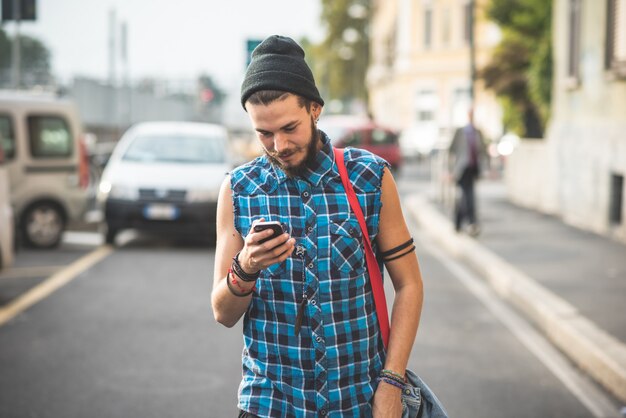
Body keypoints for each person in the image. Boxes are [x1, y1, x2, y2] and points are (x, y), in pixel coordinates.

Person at [211, 35, 424, 418]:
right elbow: (223, 313)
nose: (278, 145)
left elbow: (409, 284)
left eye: (289, 127)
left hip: (356, 402)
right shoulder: (238, 190)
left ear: (315, 109)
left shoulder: (369, 178)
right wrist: (246, 267)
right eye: (264, 133)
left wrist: (392, 383)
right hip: (269, 404)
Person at [447, 109, 487, 236]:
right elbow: (451, 151)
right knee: (467, 196)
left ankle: (460, 223)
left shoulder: (478, 132)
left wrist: (488, 168)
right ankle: (471, 222)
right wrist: (450, 170)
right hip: (461, 169)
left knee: (467, 196)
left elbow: (483, 151)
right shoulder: (460, 132)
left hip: (473, 168)